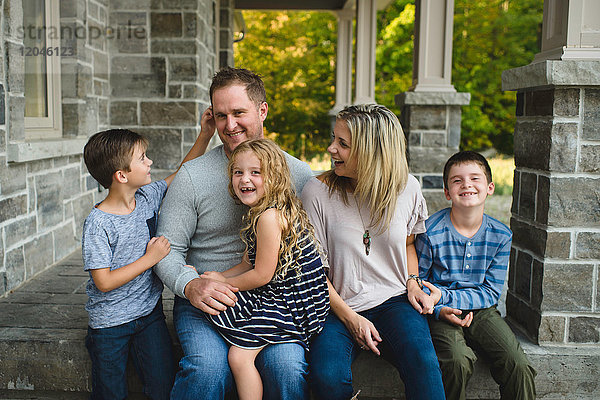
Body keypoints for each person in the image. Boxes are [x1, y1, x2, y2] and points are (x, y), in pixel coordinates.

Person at [154, 67, 315, 400]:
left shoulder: (297, 174)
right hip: (206, 295)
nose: (230, 126)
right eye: (221, 115)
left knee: (287, 368)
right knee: (207, 369)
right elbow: (166, 248)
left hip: (273, 301)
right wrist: (190, 284)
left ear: (262, 110)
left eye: (239, 113)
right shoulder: (192, 176)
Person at [300, 104, 446, 400]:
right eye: (334, 138)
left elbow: (408, 244)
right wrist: (352, 319)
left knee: (425, 365)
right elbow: (313, 270)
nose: (331, 149)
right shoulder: (316, 192)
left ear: (372, 151)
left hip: (393, 300)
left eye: (343, 144)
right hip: (335, 305)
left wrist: (413, 282)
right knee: (327, 377)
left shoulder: (407, 188)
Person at [81, 127, 212, 399]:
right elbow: (103, 282)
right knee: (110, 394)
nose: (149, 161)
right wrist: (149, 260)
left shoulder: (147, 197)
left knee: (162, 386)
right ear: (121, 175)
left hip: (148, 316)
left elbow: (182, 174)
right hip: (110, 325)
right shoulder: (99, 224)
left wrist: (205, 135)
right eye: (142, 158)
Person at [199, 139, 329, 400]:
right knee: (223, 304)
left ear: (275, 177)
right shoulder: (259, 212)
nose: (245, 179)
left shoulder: (269, 218)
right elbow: (249, 264)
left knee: (238, 356)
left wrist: (223, 285)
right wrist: (219, 276)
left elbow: (261, 276)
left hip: (295, 304)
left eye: (255, 172)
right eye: (238, 172)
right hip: (281, 291)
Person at [415, 151, 536, 400]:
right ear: (447, 192)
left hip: (482, 310)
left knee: (517, 364)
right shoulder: (430, 232)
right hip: (439, 313)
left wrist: (443, 297)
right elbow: (418, 282)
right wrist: (438, 309)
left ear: (490, 187)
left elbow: (491, 292)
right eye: (457, 180)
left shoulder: (501, 236)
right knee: (457, 361)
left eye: (474, 178)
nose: (466, 184)